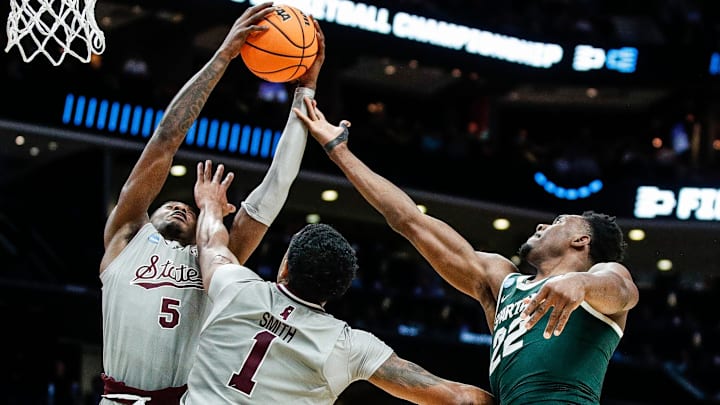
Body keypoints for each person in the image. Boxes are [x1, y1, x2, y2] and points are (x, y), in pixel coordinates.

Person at [292, 98, 641, 404]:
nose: (541, 226)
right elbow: (408, 220)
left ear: (582, 241)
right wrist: (339, 151)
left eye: (558, 221)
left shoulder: (601, 280)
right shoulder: (501, 282)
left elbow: (624, 292)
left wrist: (582, 284)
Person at [98, 3, 326, 403]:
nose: (180, 206)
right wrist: (223, 56)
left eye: (189, 207)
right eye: (171, 203)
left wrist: (304, 93)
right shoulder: (125, 236)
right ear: (146, 215)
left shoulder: (218, 261)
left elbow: (275, 188)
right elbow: (165, 139)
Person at [182, 160, 495, 404]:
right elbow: (457, 398)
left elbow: (211, 243)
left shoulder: (236, 286)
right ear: (340, 289)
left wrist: (210, 203)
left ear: (285, 266)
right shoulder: (348, 346)